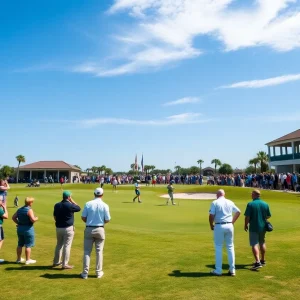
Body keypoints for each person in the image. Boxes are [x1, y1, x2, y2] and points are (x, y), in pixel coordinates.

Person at [80, 188, 111, 279]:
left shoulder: (88, 204)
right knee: (99, 252)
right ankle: (98, 272)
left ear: (94, 194)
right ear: (102, 195)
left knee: (87, 251)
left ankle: (85, 273)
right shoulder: (105, 205)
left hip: (89, 228)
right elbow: (107, 219)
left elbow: (83, 217)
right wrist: (100, 223)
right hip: (100, 228)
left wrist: (89, 221)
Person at [209, 189, 241, 276]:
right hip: (229, 226)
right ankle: (232, 270)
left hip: (219, 225)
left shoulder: (215, 202)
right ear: (224, 194)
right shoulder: (230, 202)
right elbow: (238, 212)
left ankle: (218, 270)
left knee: (218, 247)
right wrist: (232, 222)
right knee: (230, 247)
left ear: (217, 195)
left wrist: (211, 225)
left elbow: (211, 215)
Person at [53, 191, 81, 269]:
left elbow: (54, 216)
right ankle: (65, 264)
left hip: (58, 227)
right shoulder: (70, 205)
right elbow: (78, 208)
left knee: (59, 245)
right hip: (68, 228)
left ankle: (56, 261)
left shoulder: (57, 205)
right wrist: (72, 201)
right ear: (68, 197)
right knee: (67, 246)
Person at [244, 189, 271, 270]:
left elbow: (247, 217)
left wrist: (245, 224)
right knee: (262, 242)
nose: (251, 195)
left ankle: (258, 262)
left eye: (252, 194)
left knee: (254, 244)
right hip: (263, 226)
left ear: (254, 195)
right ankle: (263, 260)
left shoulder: (250, 204)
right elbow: (268, 216)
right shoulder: (265, 204)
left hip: (254, 227)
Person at [12, 197, 38, 264]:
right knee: (28, 245)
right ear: (30, 203)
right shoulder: (29, 210)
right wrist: (36, 218)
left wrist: (19, 223)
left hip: (20, 228)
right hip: (28, 229)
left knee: (20, 244)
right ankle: (28, 260)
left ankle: (18, 259)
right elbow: (32, 219)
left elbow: (13, 217)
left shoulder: (19, 209)